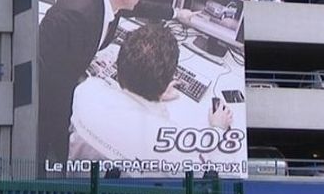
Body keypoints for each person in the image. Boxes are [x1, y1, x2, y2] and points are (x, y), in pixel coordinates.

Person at [38, 0, 195, 174]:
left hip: (69, 72)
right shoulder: (74, 16)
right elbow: (53, 78)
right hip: (51, 97)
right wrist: (142, 92)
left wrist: (176, 13)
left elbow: (139, 7)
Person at [67, 24, 233, 178]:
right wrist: (217, 129)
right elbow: (201, 172)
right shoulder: (173, 144)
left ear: (119, 66)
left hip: (77, 193)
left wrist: (156, 93)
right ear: (167, 81)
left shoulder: (87, 91)